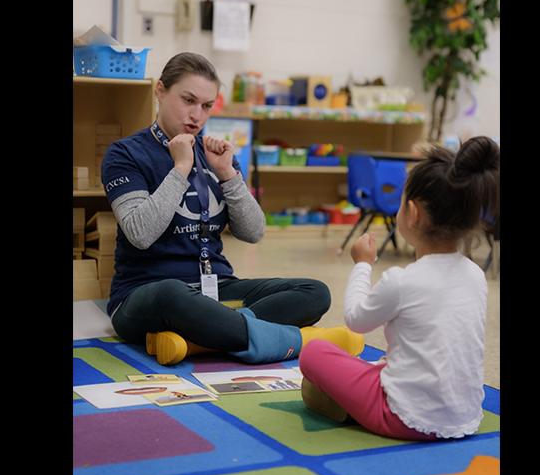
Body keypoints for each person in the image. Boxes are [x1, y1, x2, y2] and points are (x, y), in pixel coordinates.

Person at [101, 52, 364, 366]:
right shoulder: (124, 154)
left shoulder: (215, 155)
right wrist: (181, 168)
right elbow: (140, 234)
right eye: (188, 100)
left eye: (207, 106)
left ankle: (202, 338)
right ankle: (297, 341)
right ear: (160, 90)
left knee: (314, 291)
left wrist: (227, 174)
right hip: (146, 294)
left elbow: (253, 232)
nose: (197, 115)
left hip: (217, 290)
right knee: (171, 293)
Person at [299, 137, 499, 440]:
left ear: (413, 212)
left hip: (402, 417)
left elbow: (355, 320)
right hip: (466, 417)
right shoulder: (475, 274)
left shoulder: (402, 281)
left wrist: (362, 264)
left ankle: (343, 403)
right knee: (383, 364)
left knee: (314, 352)